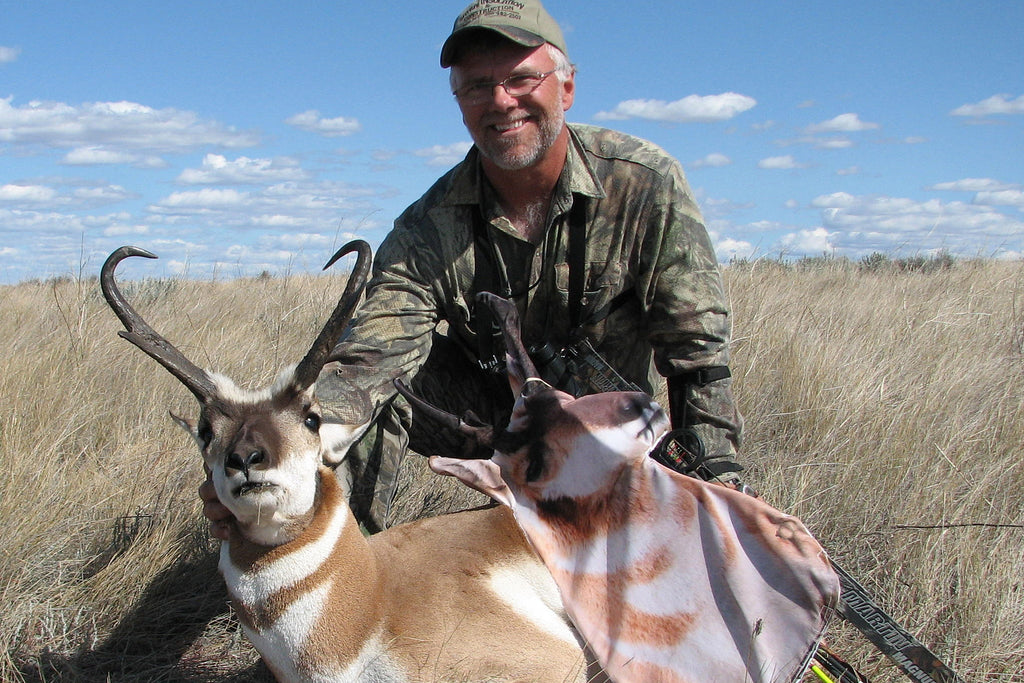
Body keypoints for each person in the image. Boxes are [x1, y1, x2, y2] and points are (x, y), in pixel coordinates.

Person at [202, 0, 743, 537]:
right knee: (360, 398)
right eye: (478, 85)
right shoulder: (427, 228)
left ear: (567, 87)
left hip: (610, 435)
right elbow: (369, 358)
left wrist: (719, 488)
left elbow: (698, 360)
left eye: (522, 78)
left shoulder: (646, 185)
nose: (501, 101)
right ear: (459, 101)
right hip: (490, 429)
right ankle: (336, 575)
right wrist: (275, 457)